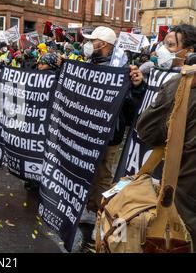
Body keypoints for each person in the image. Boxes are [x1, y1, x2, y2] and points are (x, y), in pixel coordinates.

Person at [79, 27, 146, 237]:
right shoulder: (89, 65)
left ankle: (99, 213)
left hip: (109, 132)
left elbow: (131, 105)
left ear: (104, 44)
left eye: (93, 41)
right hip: (88, 129)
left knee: (103, 174)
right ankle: (89, 206)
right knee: (88, 169)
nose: (88, 44)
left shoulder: (121, 69)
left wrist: (136, 87)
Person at [136, 25, 196, 247]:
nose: (163, 49)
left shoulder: (182, 85)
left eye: (171, 45)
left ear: (189, 52)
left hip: (186, 204)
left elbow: (147, 130)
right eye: (164, 44)